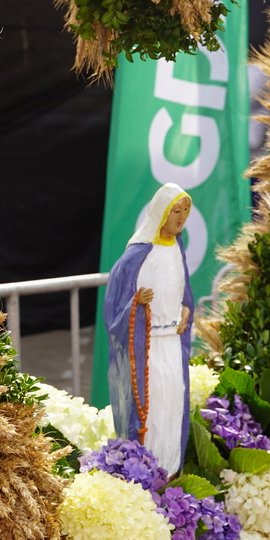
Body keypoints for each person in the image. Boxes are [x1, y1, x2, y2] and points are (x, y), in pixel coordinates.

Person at [104, 183, 194, 474]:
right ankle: (146, 470)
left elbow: (183, 293)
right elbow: (114, 305)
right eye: (175, 211)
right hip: (149, 346)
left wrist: (185, 310)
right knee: (151, 407)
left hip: (172, 344)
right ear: (161, 213)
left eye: (185, 210)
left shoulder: (177, 248)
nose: (181, 217)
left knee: (173, 404)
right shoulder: (138, 254)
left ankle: (171, 470)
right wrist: (136, 302)